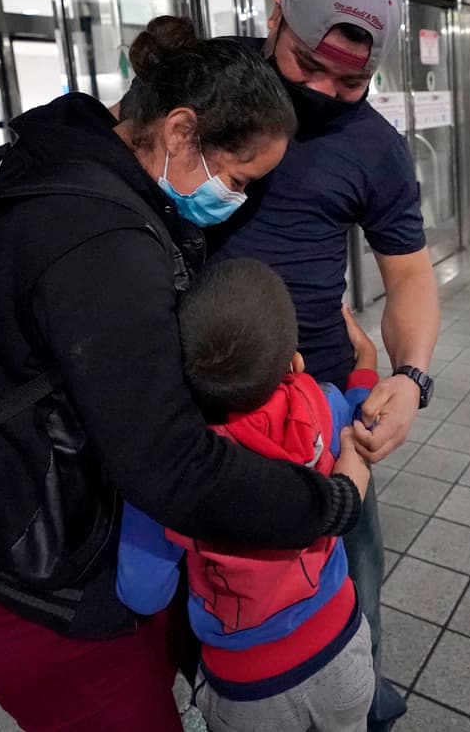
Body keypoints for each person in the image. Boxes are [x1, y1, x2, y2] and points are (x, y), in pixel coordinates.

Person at [0, 16, 371, 732]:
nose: (234, 201)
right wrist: (329, 504)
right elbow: (169, 465)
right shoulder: (98, 238)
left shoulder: (82, 163)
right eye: (237, 180)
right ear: (181, 132)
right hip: (17, 559)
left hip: (70, 523)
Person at [209, 0, 443, 731]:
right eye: (307, 64)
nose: (323, 91)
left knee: (349, 562)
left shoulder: (374, 146)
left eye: (351, 81)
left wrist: (410, 379)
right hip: (207, 386)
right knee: (211, 570)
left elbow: (409, 275)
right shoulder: (211, 85)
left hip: (323, 401)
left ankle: (360, 690)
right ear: (274, 14)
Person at [116, 258, 380, 732]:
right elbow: (363, 418)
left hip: (248, 688)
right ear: (293, 360)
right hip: (342, 650)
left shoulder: (173, 466)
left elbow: (143, 591)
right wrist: (366, 364)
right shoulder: (323, 403)